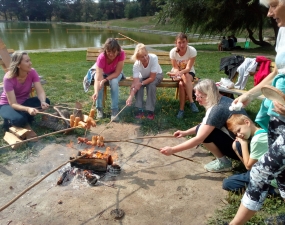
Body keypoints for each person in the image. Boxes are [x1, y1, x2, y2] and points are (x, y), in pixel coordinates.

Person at [229, 0, 285, 224]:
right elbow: (277, 72)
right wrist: (249, 95)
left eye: (273, 5)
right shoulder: (283, 32)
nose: (269, 13)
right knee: (282, 175)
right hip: (277, 115)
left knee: (260, 172)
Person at [160, 79, 247, 172]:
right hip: (243, 144)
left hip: (241, 149)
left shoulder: (216, 110)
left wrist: (172, 150)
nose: (196, 99)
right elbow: (205, 125)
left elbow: (199, 138)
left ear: (208, 95)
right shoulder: (223, 100)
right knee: (203, 130)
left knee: (204, 135)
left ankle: (224, 163)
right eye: (195, 95)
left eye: (198, 96)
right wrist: (185, 132)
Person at [222, 114, 277, 194]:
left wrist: (244, 144)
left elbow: (248, 166)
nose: (238, 135)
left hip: (269, 177)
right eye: (236, 133)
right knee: (237, 145)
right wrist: (237, 147)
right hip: (266, 168)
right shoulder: (262, 131)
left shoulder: (257, 140)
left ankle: (271, 190)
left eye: (239, 130)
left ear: (247, 122)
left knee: (227, 183)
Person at [0, 51, 50, 139]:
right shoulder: (8, 78)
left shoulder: (32, 72)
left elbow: (40, 91)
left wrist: (42, 101)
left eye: (29, 60)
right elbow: (13, 104)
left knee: (46, 101)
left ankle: (24, 115)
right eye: (27, 61)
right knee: (20, 120)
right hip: (7, 105)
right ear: (18, 65)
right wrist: (28, 109)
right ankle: (9, 121)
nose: (30, 63)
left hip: (23, 102)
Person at [126, 43, 163, 120]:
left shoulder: (154, 58)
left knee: (151, 85)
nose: (145, 58)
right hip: (144, 76)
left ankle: (150, 110)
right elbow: (135, 84)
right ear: (138, 58)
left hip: (157, 75)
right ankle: (140, 109)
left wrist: (141, 83)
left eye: (146, 55)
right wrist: (130, 97)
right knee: (139, 86)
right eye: (142, 57)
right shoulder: (136, 65)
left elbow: (152, 78)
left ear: (147, 52)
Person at [92, 38, 125, 122]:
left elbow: (117, 73)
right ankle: (99, 108)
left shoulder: (121, 54)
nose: (111, 54)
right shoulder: (101, 57)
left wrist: (105, 79)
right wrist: (96, 91)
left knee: (114, 82)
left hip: (115, 73)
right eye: (108, 51)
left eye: (114, 52)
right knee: (100, 84)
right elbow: (98, 78)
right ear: (105, 50)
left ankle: (114, 110)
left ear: (118, 51)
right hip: (104, 72)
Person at [169, 32, 199, 118]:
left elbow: (188, 68)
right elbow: (175, 67)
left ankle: (181, 110)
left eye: (184, 42)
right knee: (181, 84)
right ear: (176, 43)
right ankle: (191, 102)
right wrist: (177, 73)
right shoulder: (173, 52)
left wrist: (180, 73)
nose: (182, 45)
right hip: (177, 72)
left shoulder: (192, 51)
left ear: (187, 42)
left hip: (188, 72)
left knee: (184, 78)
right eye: (179, 42)